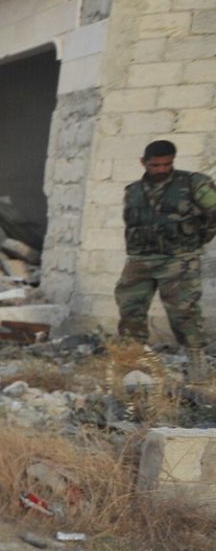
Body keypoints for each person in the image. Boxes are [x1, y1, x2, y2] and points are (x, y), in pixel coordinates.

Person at [116, 140, 216, 383]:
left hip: (178, 260)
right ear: (143, 162)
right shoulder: (133, 190)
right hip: (140, 259)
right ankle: (133, 365)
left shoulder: (193, 183)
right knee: (130, 309)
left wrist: (200, 239)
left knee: (184, 313)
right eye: (155, 165)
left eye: (166, 164)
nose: (161, 169)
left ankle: (197, 367)